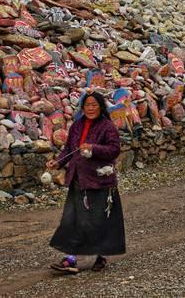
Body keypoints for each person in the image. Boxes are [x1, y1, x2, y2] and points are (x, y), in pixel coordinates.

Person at [47, 90, 126, 274]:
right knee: (73, 219)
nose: (90, 108)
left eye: (94, 105)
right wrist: (58, 162)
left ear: (100, 107)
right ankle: (70, 259)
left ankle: (100, 256)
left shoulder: (107, 127)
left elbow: (114, 150)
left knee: (97, 220)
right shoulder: (77, 125)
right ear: (82, 107)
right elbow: (69, 149)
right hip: (78, 179)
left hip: (99, 180)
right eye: (87, 105)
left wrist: (93, 148)